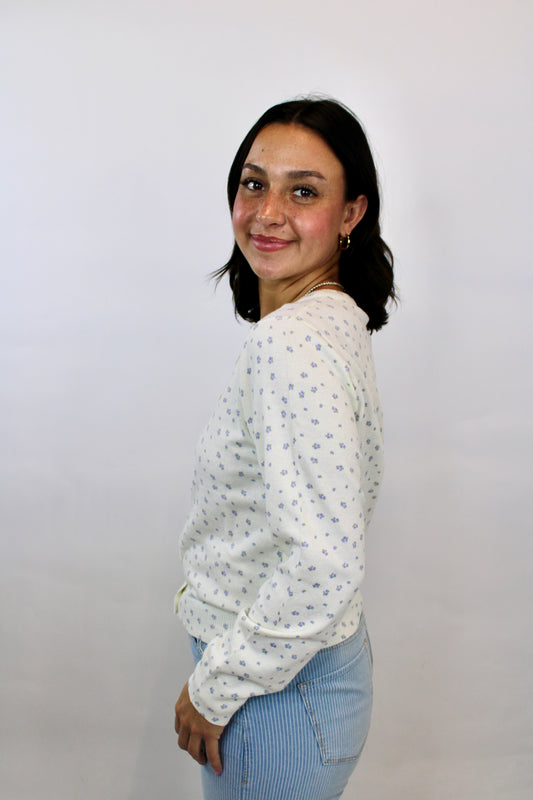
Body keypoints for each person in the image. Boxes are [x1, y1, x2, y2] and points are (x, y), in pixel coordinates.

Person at [174, 97, 395, 800]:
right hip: (304, 680)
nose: (267, 212)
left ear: (351, 213)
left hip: (274, 699)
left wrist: (215, 685)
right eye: (254, 183)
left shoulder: (291, 342)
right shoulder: (332, 318)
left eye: (303, 192)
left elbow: (325, 562)